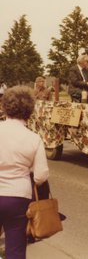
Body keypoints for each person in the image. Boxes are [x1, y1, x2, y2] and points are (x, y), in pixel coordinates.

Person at [0, 86, 49, 259]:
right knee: (16, 247)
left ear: (4, 106)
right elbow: (41, 175)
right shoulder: (34, 138)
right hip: (18, 197)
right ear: (29, 111)